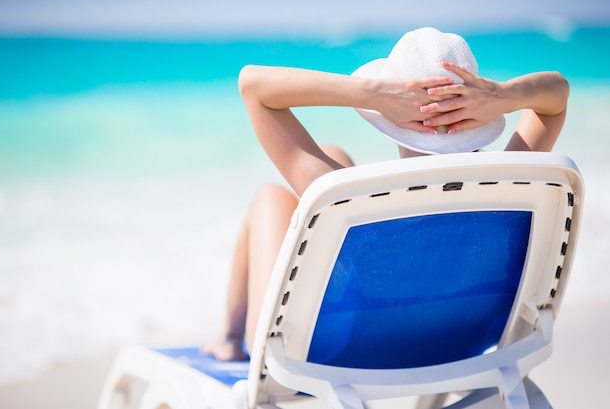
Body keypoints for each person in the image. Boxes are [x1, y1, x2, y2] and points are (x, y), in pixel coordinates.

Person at [202, 27, 569, 361]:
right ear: (482, 106)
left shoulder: (352, 201)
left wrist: (373, 92)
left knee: (272, 195)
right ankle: (229, 336)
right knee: (335, 155)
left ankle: (230, 337)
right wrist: (503, 95)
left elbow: (253, 85)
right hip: (458, 346)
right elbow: (557, 96)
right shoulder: (509, 184)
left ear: (391, 115)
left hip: (330, 355)